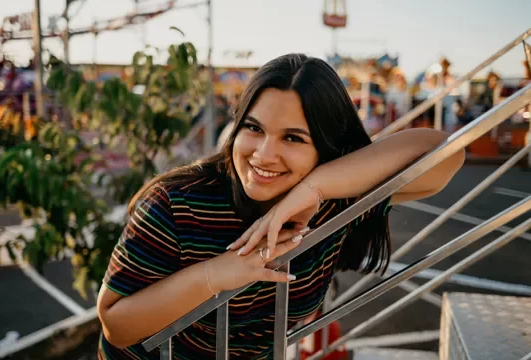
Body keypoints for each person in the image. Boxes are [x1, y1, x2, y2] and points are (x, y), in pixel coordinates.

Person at [97, 53, 465, 359]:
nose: (264, 154)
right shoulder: (179, 203)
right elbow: (116, 325)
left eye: (292, 138)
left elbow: (446, 154)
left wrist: (316, 188)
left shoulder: (333, 203)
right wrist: (216, 275)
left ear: (326, 147)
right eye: (254, 129)